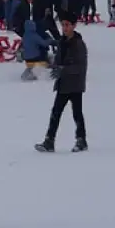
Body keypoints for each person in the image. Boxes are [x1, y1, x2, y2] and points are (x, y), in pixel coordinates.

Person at [35, 13, 88, 153]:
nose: (64, 28)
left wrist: (63, 70)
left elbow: (80, 67)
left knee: (77, 113)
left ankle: (81, 140)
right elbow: (59, 61)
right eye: (63, 25)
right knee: (56, 112)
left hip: (75, 84)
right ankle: (49, 140)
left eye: (67, 25)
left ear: (74, 26)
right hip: (63, 84)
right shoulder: (62, 42)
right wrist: (52, 67)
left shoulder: (79, 44)